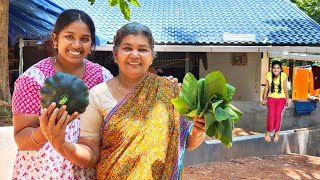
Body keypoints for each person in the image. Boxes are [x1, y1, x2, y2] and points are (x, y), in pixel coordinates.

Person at [39, 22, 206, 179]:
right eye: (127, 48)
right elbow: (91, 154)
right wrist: (61, 144)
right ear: (115, 54)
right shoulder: (98, 95)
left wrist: (198, 131)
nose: (135, 55)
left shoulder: (170, 91)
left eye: (142, 49)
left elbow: (188, 142)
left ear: (152, 56)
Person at [11, 9, 114, 179]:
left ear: (91, 44)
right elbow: (21, 138)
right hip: (41, 172)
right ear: (55, 39)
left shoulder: (102, 78)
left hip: (85, 171)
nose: (76, 45)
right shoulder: (33, 79)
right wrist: (47, 132)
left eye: (85, 39)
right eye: (69, 36)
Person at [262, 60, 289, 142]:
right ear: (271, 69)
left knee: (278, 114)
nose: (276, 70)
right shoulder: (269, 75)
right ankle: (268, 132)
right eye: (274, 68)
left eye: (278, 68)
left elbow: (285, 87)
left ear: (280, 69)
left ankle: (276, 132)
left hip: (281, 98)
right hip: (271, 97)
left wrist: (287, 99)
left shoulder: (283, 75)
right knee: (271, 114)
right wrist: (264, 98)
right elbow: (266, 87)